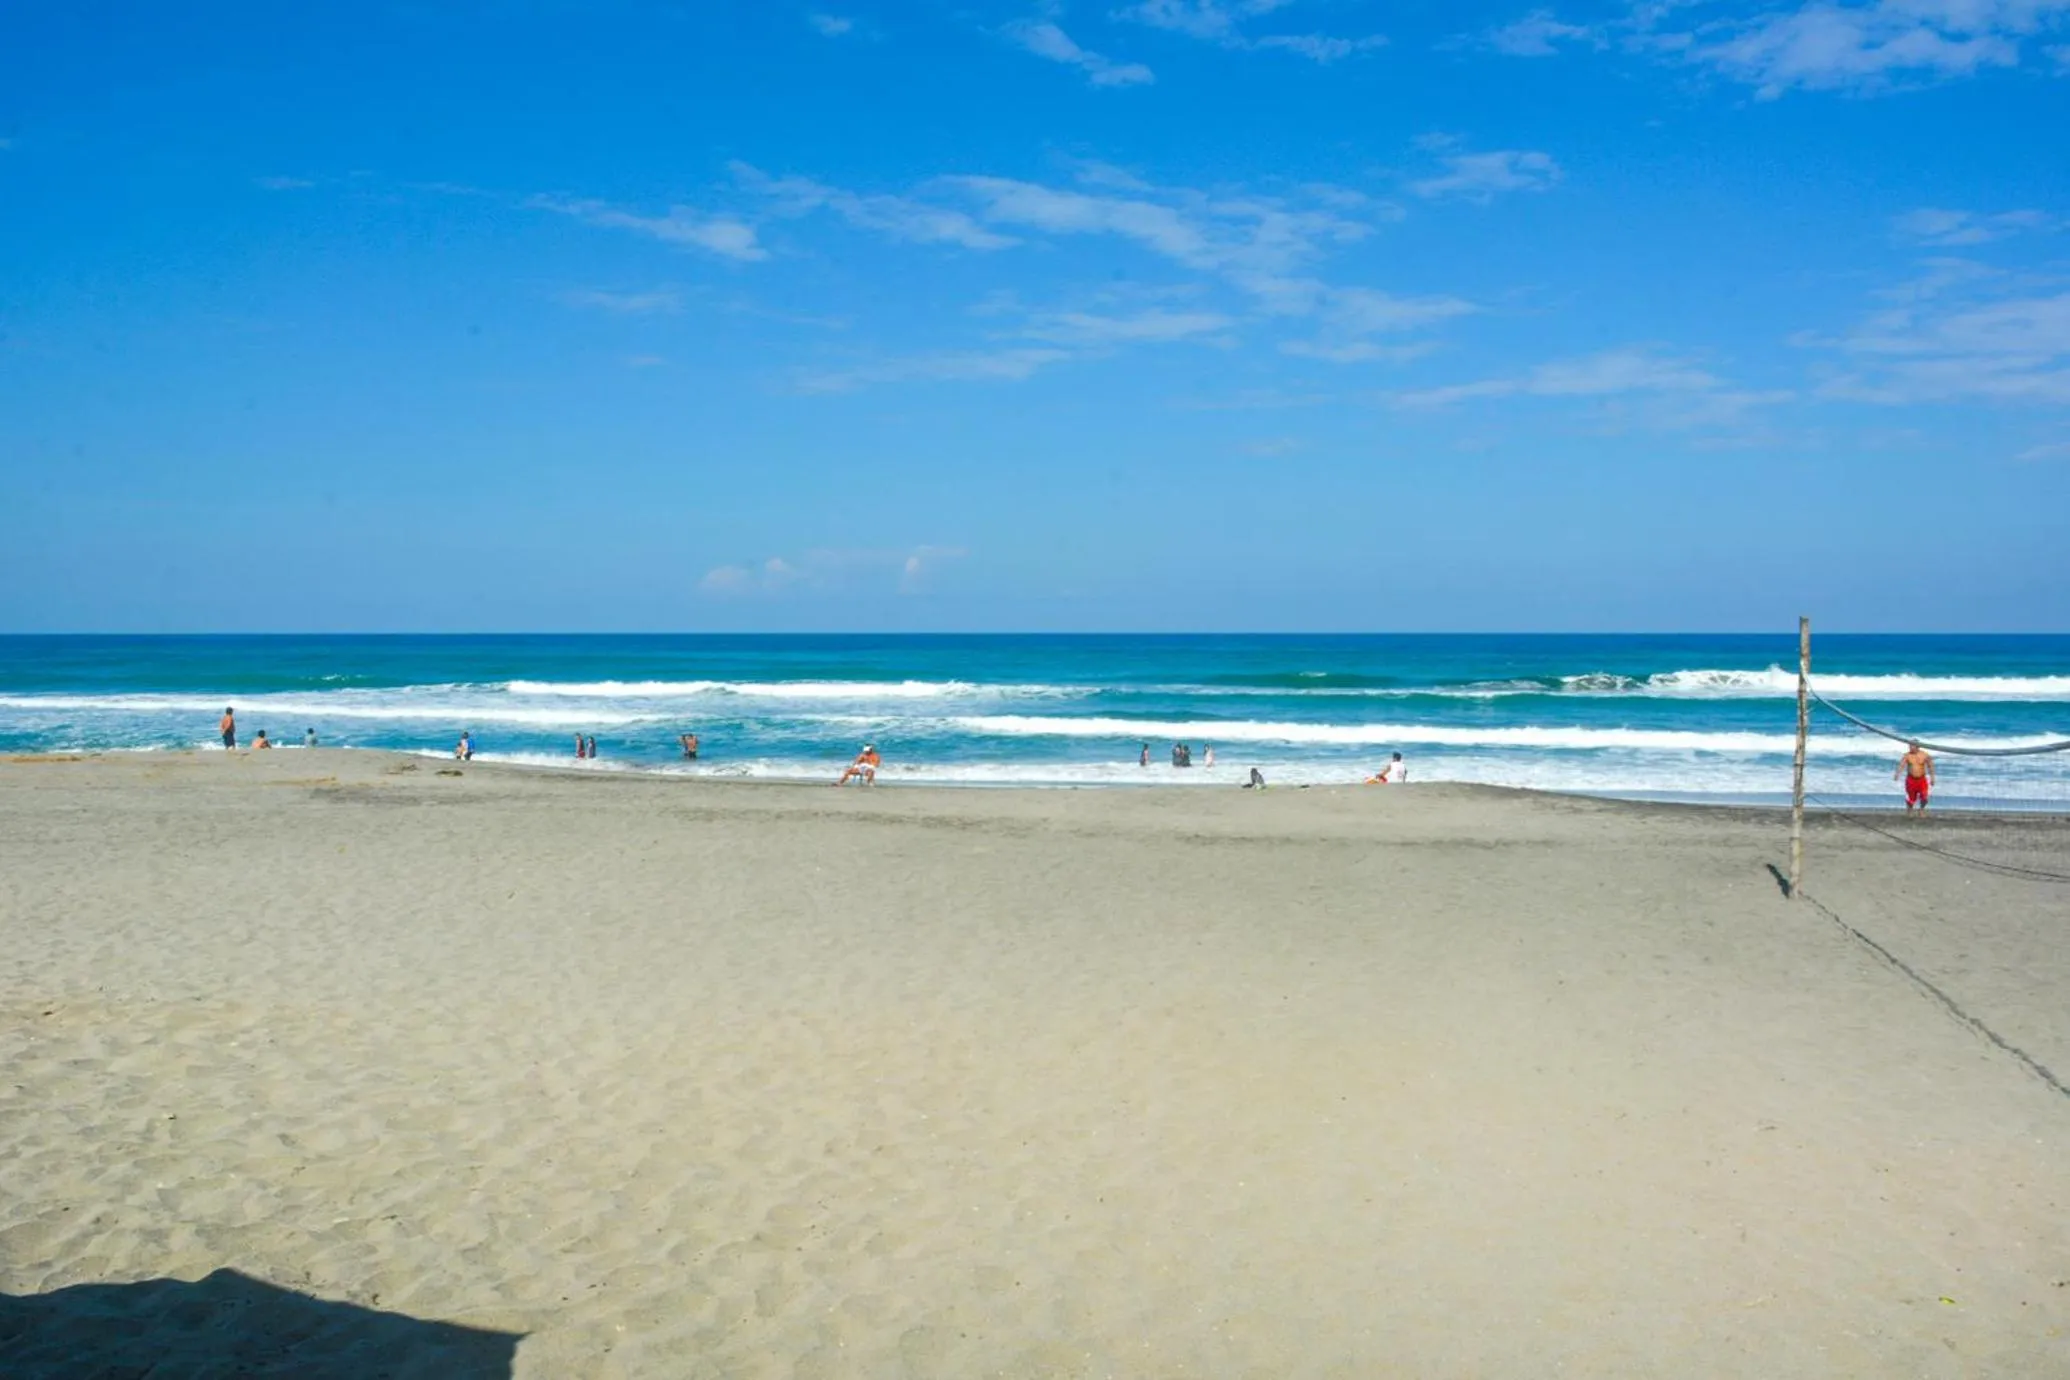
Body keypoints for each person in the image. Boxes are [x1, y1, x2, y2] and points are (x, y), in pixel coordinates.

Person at [1896, 740, 1934, 813]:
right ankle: (1909, 809)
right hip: (1911, 780)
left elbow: (1930, 766)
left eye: (1912, 746)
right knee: (1911, 798)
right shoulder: (1907, 755)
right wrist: (1897, 774)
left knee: (1924, 797)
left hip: (1921, 779)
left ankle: (1921, 809)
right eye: (1909, 746)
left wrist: (1932, 778)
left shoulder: (1925, 755)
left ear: (1917, 747)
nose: (1910, 748)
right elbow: (1901, 765)